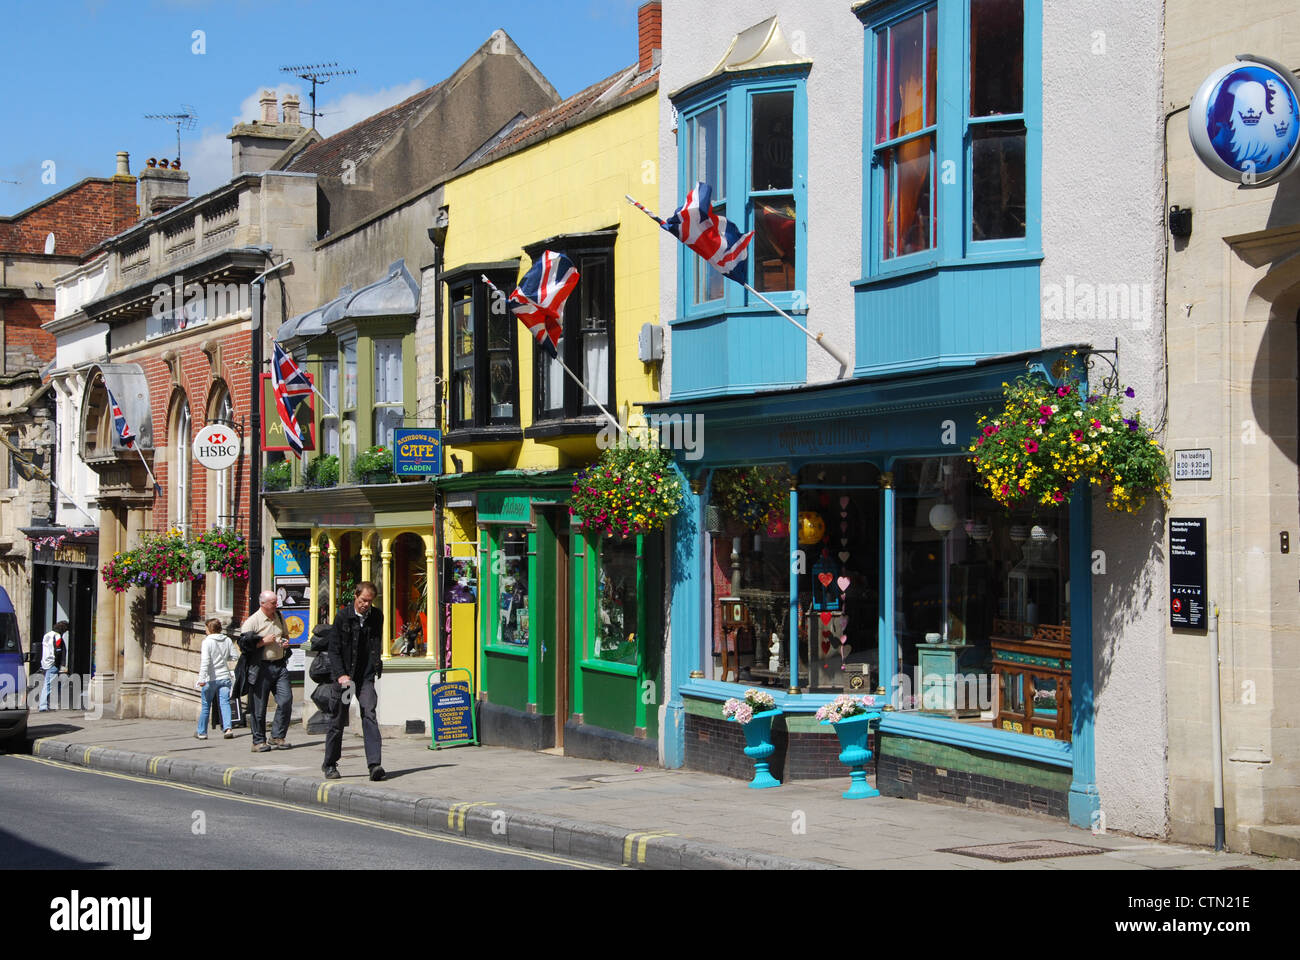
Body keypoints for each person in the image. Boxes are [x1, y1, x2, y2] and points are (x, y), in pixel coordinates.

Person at [322, 581, 384, 781]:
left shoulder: (377, 616)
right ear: (356, 596)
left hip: (365, 676)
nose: (366, 605)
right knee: (338, 719)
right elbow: (334, 649)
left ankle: (374, 765)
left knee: (369, 713)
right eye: (363, 600)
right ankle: (330, 764)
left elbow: (375, 644)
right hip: (345, 678)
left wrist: (375, 667)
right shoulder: (342, 617)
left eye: (369, 601)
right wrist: (341, 674)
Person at [240, 590, 292, 753]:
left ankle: (277, 736)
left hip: (279, 665)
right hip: (261, 667)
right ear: (263, 604)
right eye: (273, 603)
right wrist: (262, 642)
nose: (276, 605)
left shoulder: (279, 616)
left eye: (276, 602)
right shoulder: (252, 622)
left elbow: (285, 635)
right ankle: (258, 741)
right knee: (259, 707)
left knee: (286, 700)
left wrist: (285, 642)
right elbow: (243, 645)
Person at [196, 618, 235, 740]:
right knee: (225, 703)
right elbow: (234, 656)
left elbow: (205, 662)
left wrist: (201, 678)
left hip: (210, 678)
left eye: (206, 628)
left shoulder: (207, 642)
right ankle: (228, 729)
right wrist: (223, 658)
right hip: (224, 677)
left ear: (210, 629)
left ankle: (202, 732)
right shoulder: (227, 640)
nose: (205, 630)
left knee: (206, 705)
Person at [37, 620, 68, 712]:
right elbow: (58, 650)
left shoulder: (47, 635)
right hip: (53, 663)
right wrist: (60, 664)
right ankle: (43, 706)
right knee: (49, 685)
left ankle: (44, 705)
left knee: (47, 684)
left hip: (46, 662)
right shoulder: (57, 636)